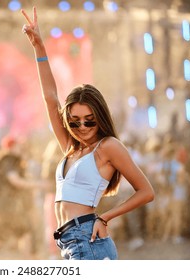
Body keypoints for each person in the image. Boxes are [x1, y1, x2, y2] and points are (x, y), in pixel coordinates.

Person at [21, 7, 155, 260]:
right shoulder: (71, 147)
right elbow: (50, 99)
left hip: (88, 241)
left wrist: (105, 216)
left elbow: (146, 191)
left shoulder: (108, 147)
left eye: (89, 121)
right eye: (74, 122)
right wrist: (39, 47)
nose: (81, 127)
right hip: (68, 242)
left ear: (100, 118)